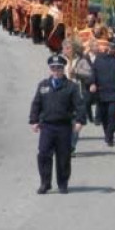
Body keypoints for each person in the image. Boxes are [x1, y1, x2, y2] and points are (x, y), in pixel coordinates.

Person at [29, 53, 85, 194]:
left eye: (59, 68)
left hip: (64, 127)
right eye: (53, 68)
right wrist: (34, 121)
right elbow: (36, 104)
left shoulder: (71, 87)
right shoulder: (43, 85)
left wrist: (80, 121)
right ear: (50, 69)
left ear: (63, 69)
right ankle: (45, 183)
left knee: (63, 156)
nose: (56, 71)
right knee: (43, 155)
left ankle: (63, 183)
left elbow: (80, 105)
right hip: (47, 126)